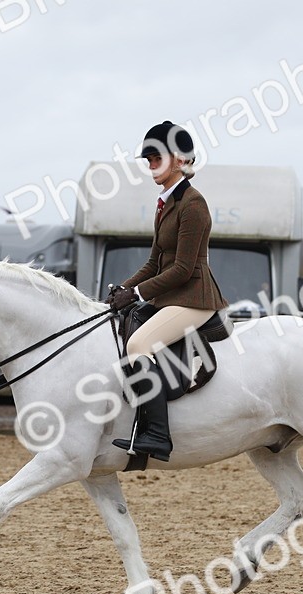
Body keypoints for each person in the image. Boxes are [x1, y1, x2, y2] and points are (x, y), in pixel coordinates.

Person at [107, 121, 227, 462]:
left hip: (195, 298)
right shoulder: (166, 203)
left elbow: (182, 270)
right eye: (147, 160)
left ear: (178, 160)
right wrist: (124, 289)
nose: (150, 165)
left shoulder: (193, 204)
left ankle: (157, 435)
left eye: (155, 157)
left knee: (138, 344)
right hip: (174, 296)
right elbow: (154, 262)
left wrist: (139, 294)